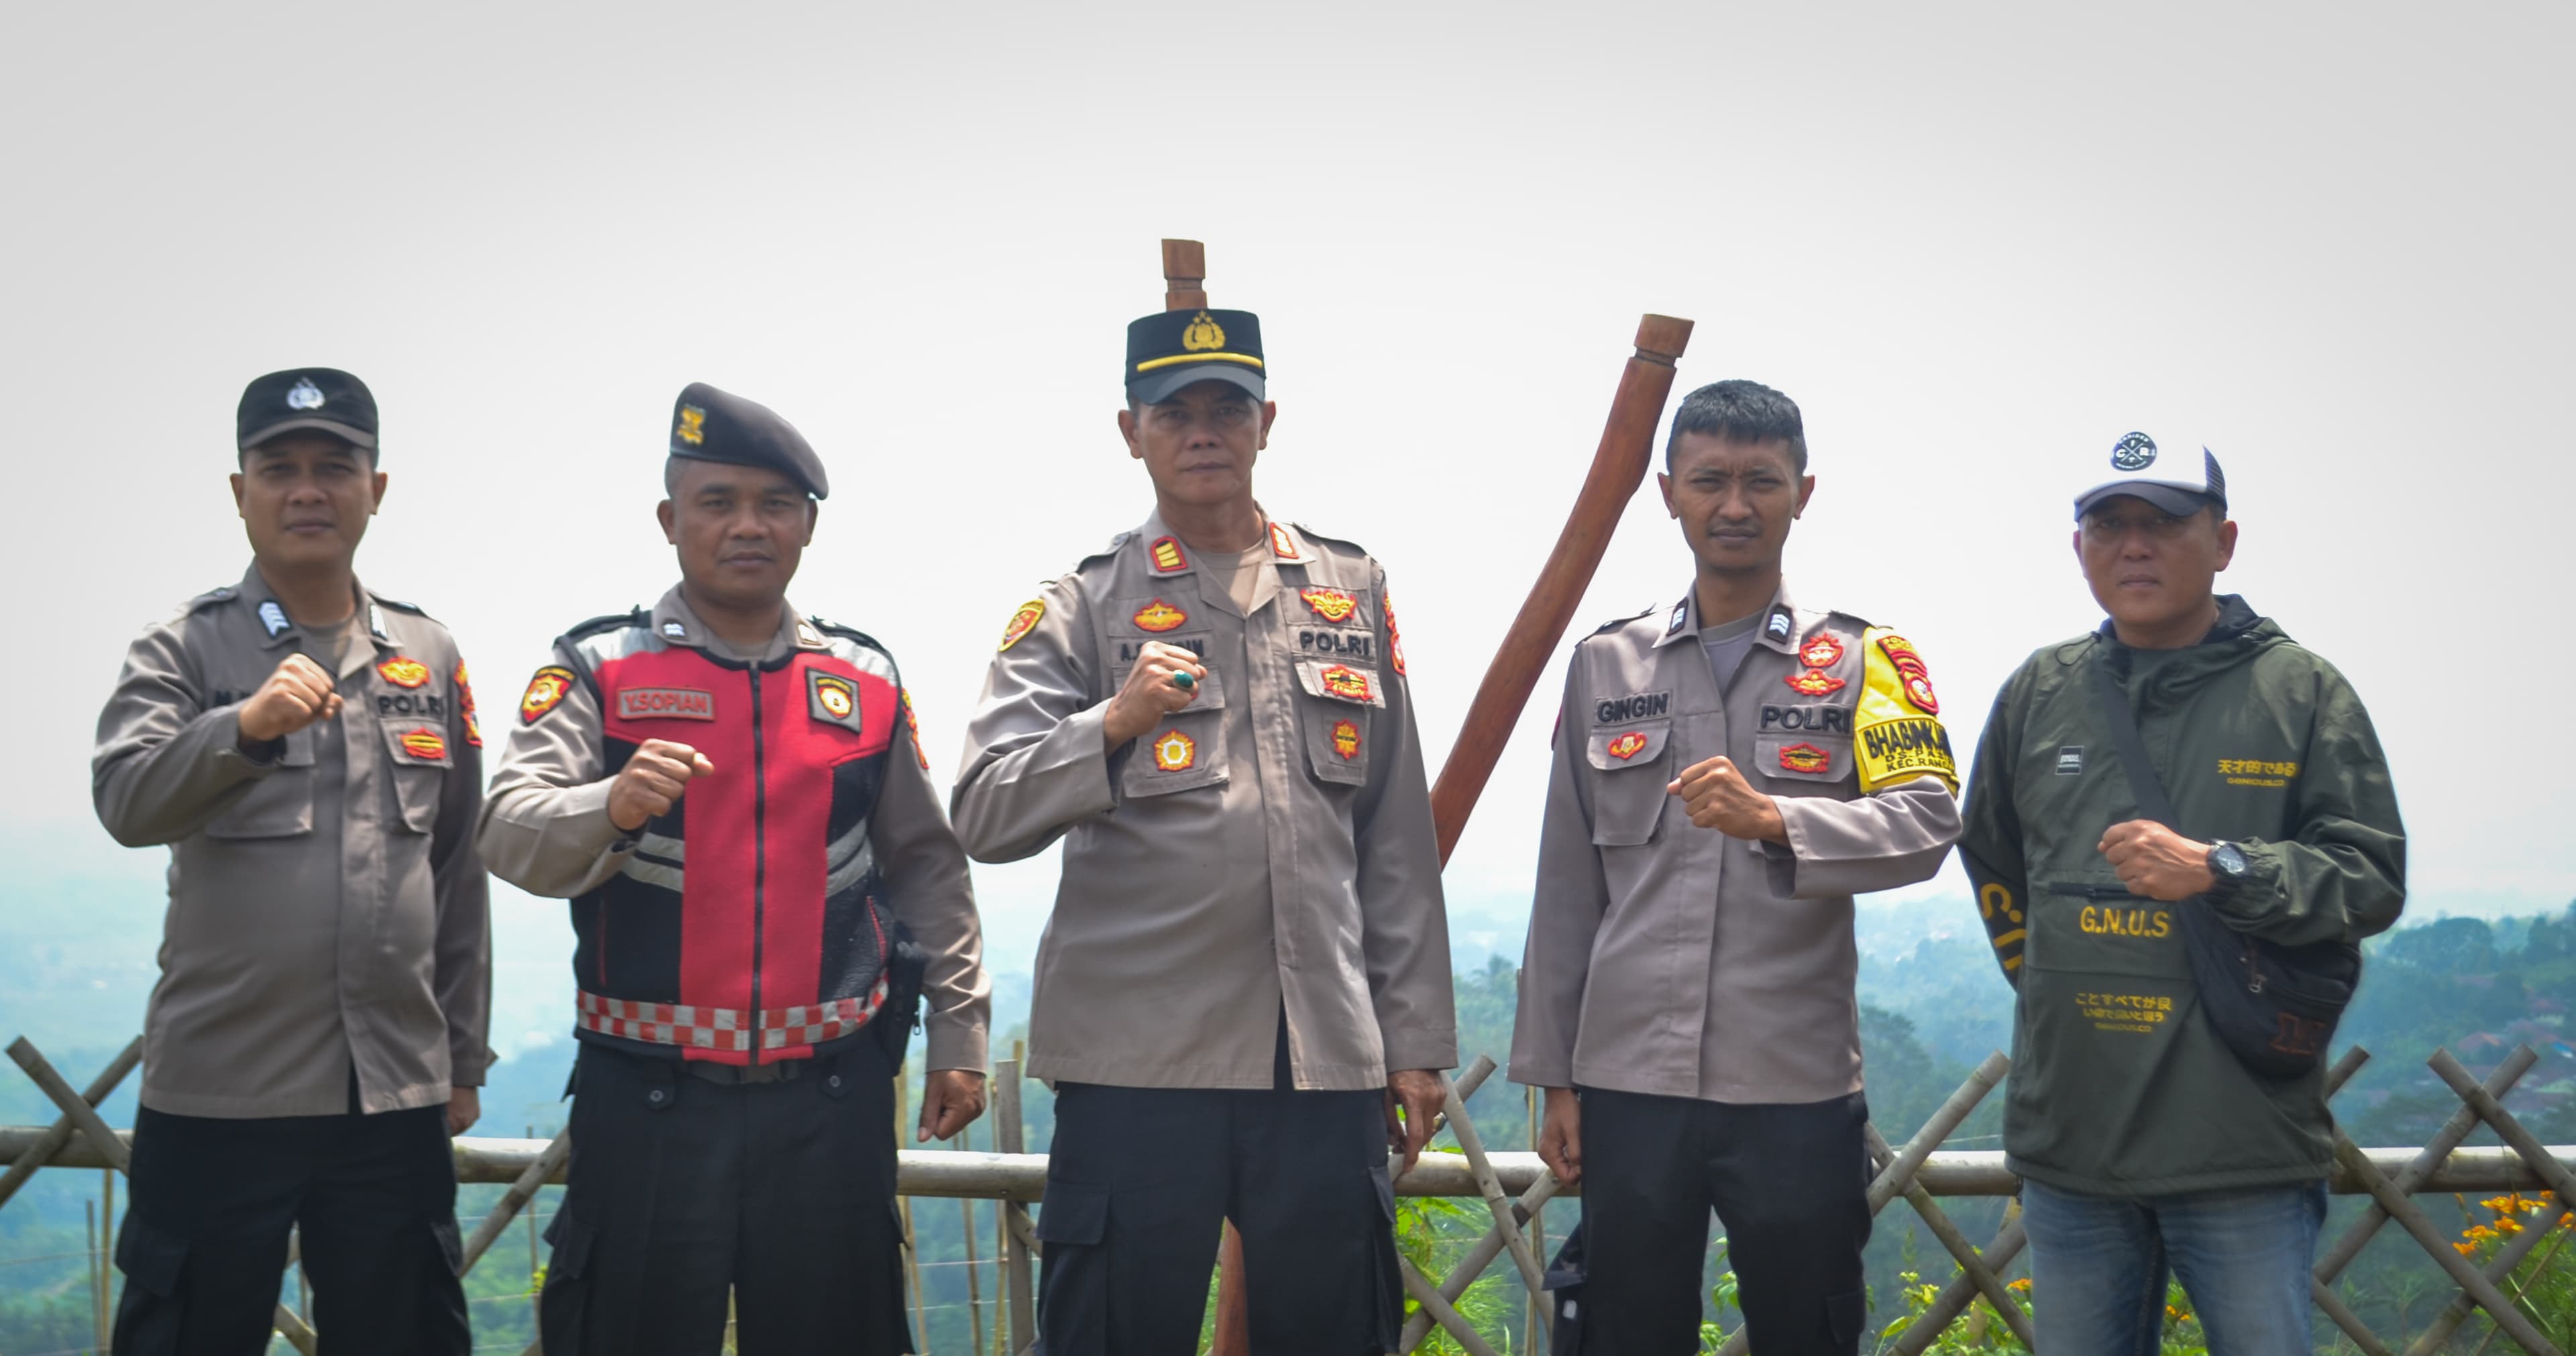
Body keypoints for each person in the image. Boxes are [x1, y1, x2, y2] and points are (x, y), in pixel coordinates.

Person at [952, 303, 1456, 1354]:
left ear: (1268, 419)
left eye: (1227, 406)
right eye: (1173, 410)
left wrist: (1413, 1045)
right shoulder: (1081, 607)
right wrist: (1112, 722)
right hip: (1142, 1067)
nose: (1203, 430)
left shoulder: (1350, 588)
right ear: (1129, 431)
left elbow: (1395, 840)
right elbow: (985, 808)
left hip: (1320, 1065)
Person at [478, 382, 991, 1355]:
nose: (747, 526)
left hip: (831, 1105)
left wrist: (960, 1030)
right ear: (671, 520)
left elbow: (928, 863)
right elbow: (509, 830)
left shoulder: (864, 680)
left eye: (774, 505)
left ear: (808, 524)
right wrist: (610, 803)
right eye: (718, 503)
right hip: (648, 1102)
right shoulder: (599, 667)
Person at [1510, 379, 1962, 1355]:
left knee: (1806, 1330)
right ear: (1668, 491)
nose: (1735, 504)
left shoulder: (1866, 657)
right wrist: (1555, 1081)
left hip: (1792, 1090)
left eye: (1762, 479)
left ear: (1806, 490)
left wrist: (1777, 820)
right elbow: (1566, 886)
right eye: (1709, 479)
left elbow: (1929, 819)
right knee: (1627, 1332)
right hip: (1630, 1085)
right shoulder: (1606, 663)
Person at [1956, 430, 2406, 1353]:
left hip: (2241, 1146)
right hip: (2072, 1145)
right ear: (2078, 546)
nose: (2134, 546)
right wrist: (2047, 985)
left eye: (2163, 524)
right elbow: (1994, 858)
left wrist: (2224, 868)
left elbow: (2372, 878)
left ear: (2225, 540)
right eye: (2109, 524)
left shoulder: (2301, 691)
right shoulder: (2041, 691)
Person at [93, 368, 487, 1355]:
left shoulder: (429, 652)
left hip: (392, 1091)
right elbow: (126, 799)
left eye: (334, 467)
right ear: (241, 491)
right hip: (221, 1089)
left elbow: (455, 864)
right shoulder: (183, 647)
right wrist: (244, 728)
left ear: (375, 489)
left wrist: (463, 1055)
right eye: (280, 469)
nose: (308, 489)